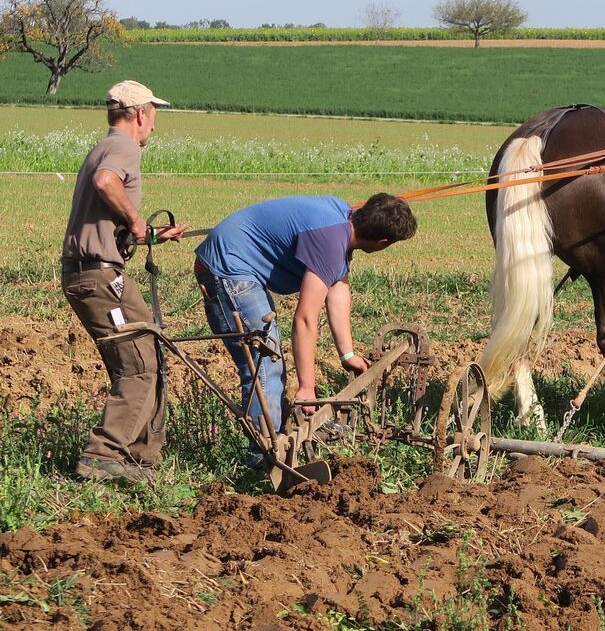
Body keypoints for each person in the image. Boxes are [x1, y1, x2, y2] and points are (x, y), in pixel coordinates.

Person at [193, 193, 416, 467]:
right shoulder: (330, 241)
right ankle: (262, 459)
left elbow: (338, 289)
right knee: (264, 361)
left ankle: (274, 442)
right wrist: (307, 387)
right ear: (383, 243)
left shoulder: (344, 218)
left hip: (237, 258)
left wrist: (347, 354)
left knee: (268, 358)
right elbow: (306, 319)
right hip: (228, 266)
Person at [63, 81, 186, 483]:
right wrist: (136, 220)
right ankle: (104, 455)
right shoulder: (123, 147)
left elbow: (104, 215)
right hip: (99, 276)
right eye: (154, 115)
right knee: (139, 365)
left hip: (95, 272)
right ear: (140, 114)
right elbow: (105, 182)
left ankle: (138, 458)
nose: (154, 124)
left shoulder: (103, 145)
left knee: (147, 352)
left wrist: (148, 235)